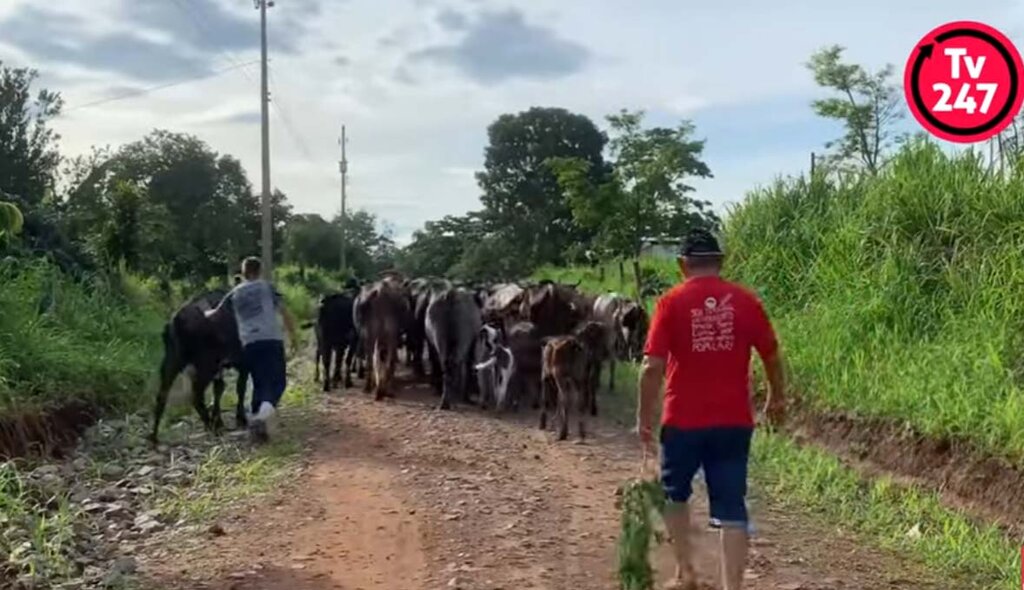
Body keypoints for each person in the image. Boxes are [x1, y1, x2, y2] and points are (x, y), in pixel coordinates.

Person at [636, 228, 785, 590]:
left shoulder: (670, 303)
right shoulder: (745, 301)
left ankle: (685, 573)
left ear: (681, 265)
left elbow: (651, 367)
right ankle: (732, 586)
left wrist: (643, 420)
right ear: (720, 262)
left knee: (675, 494)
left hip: (682, 420)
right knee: (732, 505)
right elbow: (772, 354)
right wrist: (776, 398)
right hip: (733, 421)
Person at [219, 257, 298, 443]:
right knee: (277, 382)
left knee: (257, 382)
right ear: (260, 270)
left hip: (249, 343)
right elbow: (284, 312)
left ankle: (256, 422)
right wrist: (293, 336)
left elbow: (217, 315)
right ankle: (261, 418)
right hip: (271, 339)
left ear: (243, 272)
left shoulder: (234, 293)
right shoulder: (266, 287)